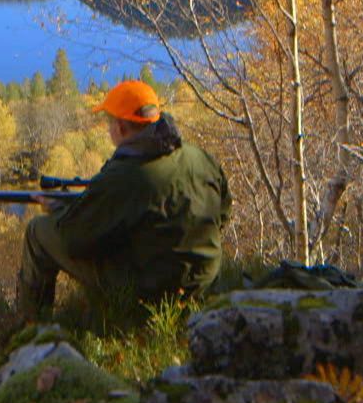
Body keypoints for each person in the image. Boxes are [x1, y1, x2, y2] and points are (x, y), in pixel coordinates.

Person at [17, 78, 231, 318]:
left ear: (120, 127)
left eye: (110, 122)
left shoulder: (124, 176)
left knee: (38, 232)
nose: (109, 129)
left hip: (153, 296)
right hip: (204, 284)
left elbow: (73, 238)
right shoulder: (200, 158)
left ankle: (33, 326)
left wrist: (58, 210)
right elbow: (223, 213)